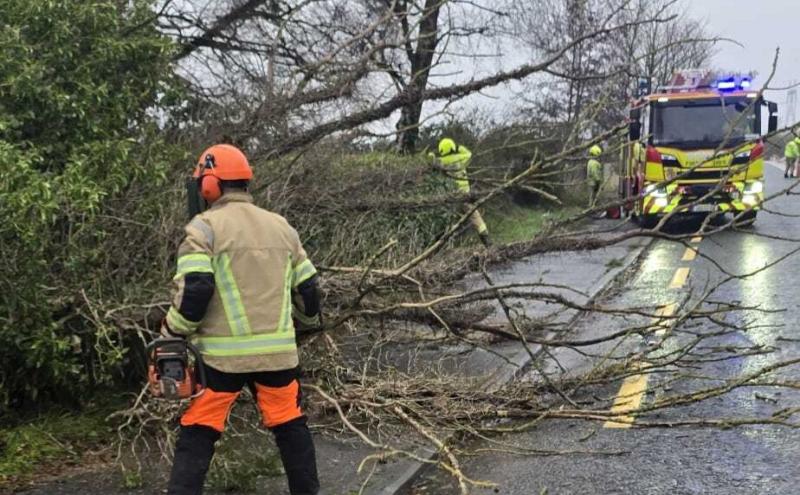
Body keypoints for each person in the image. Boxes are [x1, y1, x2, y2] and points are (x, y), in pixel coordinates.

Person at [162, 144, 321, 495]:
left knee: (198, 432)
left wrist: (171, 332)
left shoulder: (203, 230)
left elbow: (195, 291)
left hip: (221, 361)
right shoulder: (282, 228)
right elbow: (309, 294)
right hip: (278, 356)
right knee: (291, 427)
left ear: (209, 186)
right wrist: (301, 324)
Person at [430, 137, 491, 247]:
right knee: (476, 217)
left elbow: (432, 161)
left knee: (448, 219)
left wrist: (431, 155)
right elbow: (469, 154)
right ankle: (487, 242)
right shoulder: (462, 157)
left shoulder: (442, 161)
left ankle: (440, 245)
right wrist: (459, 147)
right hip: (465, 195)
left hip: (452, 196)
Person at [587, 145, 604, 209]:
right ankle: (593, 208)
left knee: (591, 196)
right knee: (595, 196)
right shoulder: (595, 163)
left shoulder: (589, 162)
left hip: (590, 182)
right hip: (594, 182)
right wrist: (599, 180)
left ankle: (591, 207)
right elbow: (595, 173)